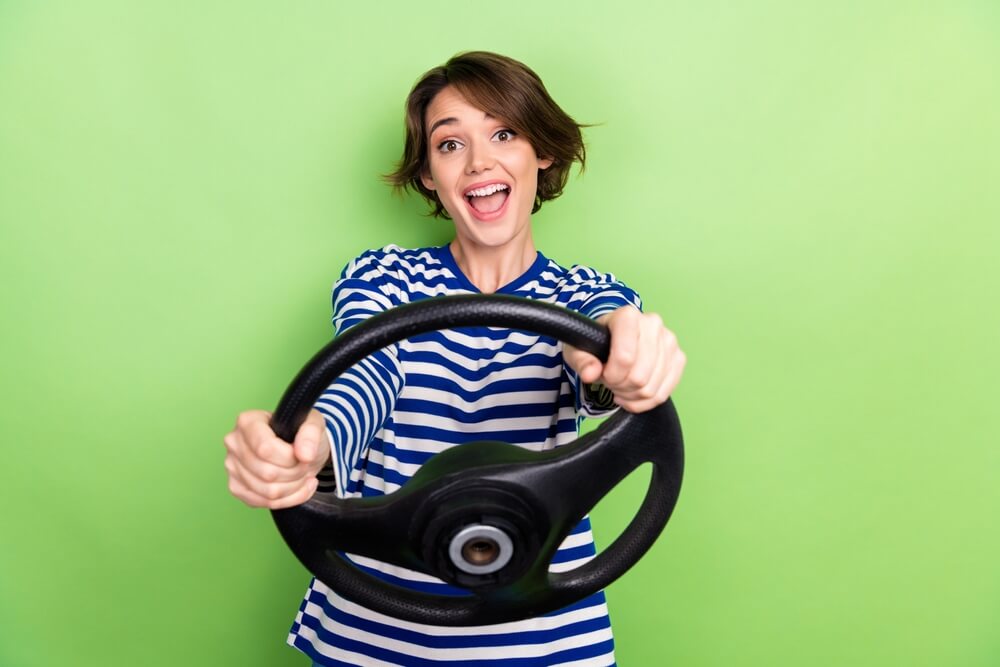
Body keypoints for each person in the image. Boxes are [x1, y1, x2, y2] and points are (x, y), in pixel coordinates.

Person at [223, 51, 686, 666]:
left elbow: (599, 347)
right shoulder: (383, 277)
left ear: (540, 153)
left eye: (503, 133)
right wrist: (309, 442)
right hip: (373, 635)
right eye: (449, 145)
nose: (479, 162)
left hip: (545, 640)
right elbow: (367, 373)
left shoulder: (585, 294)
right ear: (427, 176)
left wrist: (624, 357)